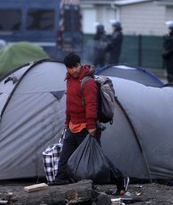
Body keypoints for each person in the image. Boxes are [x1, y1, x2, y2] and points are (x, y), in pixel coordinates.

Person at [52, 52, 126, 195]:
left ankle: (120, 180)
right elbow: (69, 103)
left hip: (87, 127)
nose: (73, 70)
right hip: (73, 126)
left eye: (75, 66)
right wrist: (67, 122)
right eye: (70, 67)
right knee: (64, 156)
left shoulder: (88, 82)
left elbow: (91, 106)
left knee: (98, 159)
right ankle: (60, 180)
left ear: (80, 64)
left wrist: (92, 126)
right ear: (66, 68)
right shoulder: (69, 80)